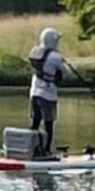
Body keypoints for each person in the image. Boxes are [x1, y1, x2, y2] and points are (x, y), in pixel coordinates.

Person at [28, 27, 69, 158]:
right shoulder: (55, 57)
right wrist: (62, 60)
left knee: (35, 121)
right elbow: (68, 71)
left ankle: (30, 148)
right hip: (48, 95)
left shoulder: (35, 52)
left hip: (34, 93)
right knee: (48, 123)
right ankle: (46, 150)